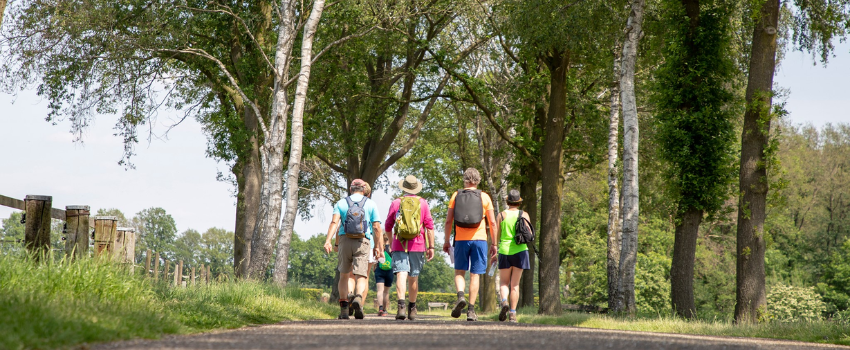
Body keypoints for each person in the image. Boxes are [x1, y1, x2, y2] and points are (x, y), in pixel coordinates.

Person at [442, 168, 498, 321]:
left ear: (465, 180)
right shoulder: (484, 197)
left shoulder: (456, 195)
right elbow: (492, 223)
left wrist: (447, 241)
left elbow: (448, 221)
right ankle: (471, 311)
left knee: (460, 272)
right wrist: (494, 244)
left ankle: (461, 296)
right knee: (475, 275)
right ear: (478, 180)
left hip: (461, 239)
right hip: (480, 240)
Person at [324, 179, 384, 320]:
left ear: (350, 189)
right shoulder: (370, 204)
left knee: (344, 275)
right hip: (363, 241)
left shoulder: (341, 203)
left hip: (344, 240)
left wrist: (328, 241)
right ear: (364, 190)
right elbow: (376, 227)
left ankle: (344, 309)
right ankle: (358, 298)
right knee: (361, 275)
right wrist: (377, 247)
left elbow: (334, 222)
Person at [385, 175, 436, 320]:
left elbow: (388, 226)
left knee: (401, 273)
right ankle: (412, 309)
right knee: (413, 277)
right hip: (418, 244)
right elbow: (429, 227)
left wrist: (391, 242)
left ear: (404, 187)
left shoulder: (396, 203)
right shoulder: (423, 203)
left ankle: (400, 307)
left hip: (399, 244)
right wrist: (431, 246)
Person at [496, 189, 531, 323]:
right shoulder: (524, 214)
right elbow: (528, 233)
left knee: (504, 282)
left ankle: (504, 301)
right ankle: (512, 313)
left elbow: (497, 236)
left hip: (504, 251)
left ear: (508, 201)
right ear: (519, 202)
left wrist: (494, 248)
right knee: (515, 284)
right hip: (521, 250)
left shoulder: (501, 215)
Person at [374, 241, 393, 316]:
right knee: (386, 292)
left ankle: (380, 308)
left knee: (380, 290)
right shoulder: (392, 247)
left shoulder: (379, 247)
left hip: (379, 270)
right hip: (389, 271)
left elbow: (375, 259)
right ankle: (385, 310)